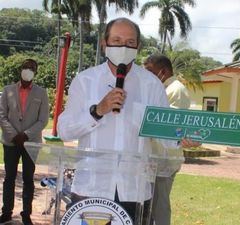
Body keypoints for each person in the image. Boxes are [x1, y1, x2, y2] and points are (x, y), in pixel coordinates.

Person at [57, 18, 180, 223]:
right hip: (91, 188)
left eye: (130, 42)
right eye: (116, 40)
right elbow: (64, 130)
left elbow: (166, 134)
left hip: (135, 192)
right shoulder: (85, 81)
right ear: (104, 44)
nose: (123, 47)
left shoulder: (152, 85)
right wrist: (97, 110)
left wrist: (181, 137)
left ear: (138, 47)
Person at [144, 54, 197, 225]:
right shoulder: (159, 88)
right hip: (153, 159)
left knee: (159, 208)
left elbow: (170, 127)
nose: (147, 76)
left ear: (163, 71)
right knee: (148, 207)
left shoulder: (175, 90)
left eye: (150, 71)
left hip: (164, 160)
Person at [0, 59, 49, 225]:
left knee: (28, 179)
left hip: (31, 143)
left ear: (36, 72)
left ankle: (26, 214)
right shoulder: (7, 90)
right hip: (10, 142)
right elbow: (2, 116)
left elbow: (43, 120)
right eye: (26, 67)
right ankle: (6, 212)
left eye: (32, 68)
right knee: (9, 178)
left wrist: (26, 135)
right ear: (20, 69)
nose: (28, 70)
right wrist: (15, 135)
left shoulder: (41, 93)